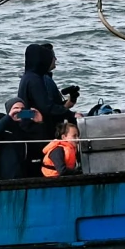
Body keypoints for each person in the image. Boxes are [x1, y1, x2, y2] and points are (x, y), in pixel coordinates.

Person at [17, 42, 71, 170]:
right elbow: (46, 107)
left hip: (29, 126)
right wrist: (69, 112)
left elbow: (23, 111)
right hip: (36, 130)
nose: (54, 60)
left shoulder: (28, 77)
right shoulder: (35, 79)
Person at [0, 98, 39, 179]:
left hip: (24, 176)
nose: (19, 111)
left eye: (22, 109)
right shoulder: (1, 127)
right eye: (16, 109)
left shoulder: (26, 127)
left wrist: (39, 123)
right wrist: (9, 117)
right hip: (4, 177)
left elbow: (40, 145)